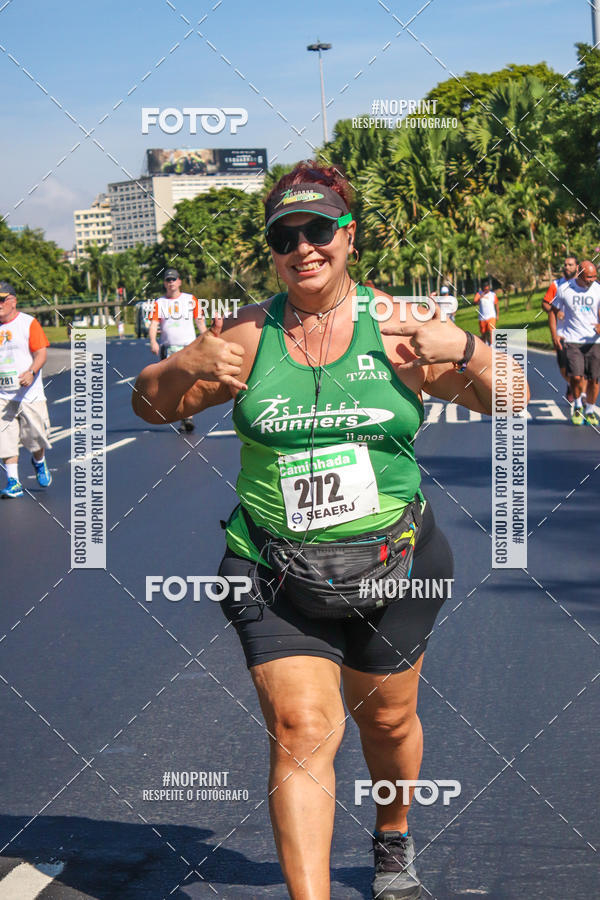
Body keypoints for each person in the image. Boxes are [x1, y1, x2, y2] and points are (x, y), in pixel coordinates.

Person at [132, 162, 528, 900]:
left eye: (319, 230)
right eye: (286, 236)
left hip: (395, 563)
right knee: (300, 726)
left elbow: (513, 397)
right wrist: (181, 363)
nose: (303, 247)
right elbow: (149, 408)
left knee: (388, 718)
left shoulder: (401, 326)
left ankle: (392, 838)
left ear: (349, 235)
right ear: (272, 250)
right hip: (272, 565)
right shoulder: (247, 336)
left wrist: (465, 349)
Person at [0, 281, 52, 498]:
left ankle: (39, 461)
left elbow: (41, 352)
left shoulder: (28, 323)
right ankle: (14, 482)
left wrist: (31, 371)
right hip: (3, 395)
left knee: (36, 438)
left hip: (30, 393)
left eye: (2, 300)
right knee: (5, 438)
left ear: (13, 301)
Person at [148, 268, 206, 433]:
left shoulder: (190, 300)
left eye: (174, 279)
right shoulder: (159, 303)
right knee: (175, 384)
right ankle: (184, 416)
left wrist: (208, 340)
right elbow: (154, 324)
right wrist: (153, 341)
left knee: (189, 382)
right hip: (169, 349)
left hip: (189, 347)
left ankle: (188, 415)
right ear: (165, 283)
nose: (171, 283)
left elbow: (200, 322)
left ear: (179, 281)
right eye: (168, 280)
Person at [551, 260, 600, 426]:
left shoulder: (597, 289)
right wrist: (556, 333)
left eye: (594, 277)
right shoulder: (564, 289)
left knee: (594, 379)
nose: (591, 280)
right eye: (588, 277)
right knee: (577, 377)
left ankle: (590, 410)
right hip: (572, 340)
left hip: (594, 341)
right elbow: (553, 310)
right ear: (579, 274)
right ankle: (578, 405)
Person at [542, 256, 580, 403]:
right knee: (563, 366)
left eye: (570, 265)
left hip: (581, 333)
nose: (566, 267)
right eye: (565, 265)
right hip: (562, 332)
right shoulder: (556, 285)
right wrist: (555, 310)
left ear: (577, 267)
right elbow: (545, 304)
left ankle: (580, 397)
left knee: (581, 368)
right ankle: (571, 383)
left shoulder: (584, 284)